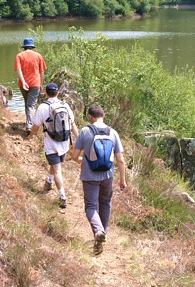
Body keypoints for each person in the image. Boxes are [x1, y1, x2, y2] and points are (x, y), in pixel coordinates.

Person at [71, 104, 126, 255]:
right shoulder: (113, 133)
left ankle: (98, 231)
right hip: (108, 176)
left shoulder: (85, 131)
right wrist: (122, 179)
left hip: (89, 176)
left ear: (90, 117)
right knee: (105, 203)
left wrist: (82, 160)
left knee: (90, 206)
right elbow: (120, 160)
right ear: (104, 115)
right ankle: (103, 233)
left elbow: (74, 156)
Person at [28, 83, 79, 209]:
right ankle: (49, 182)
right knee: (56, 164)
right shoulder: (65, 105)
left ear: (46, 93)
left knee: (57, 170)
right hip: (65, 143)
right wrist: (78, 138)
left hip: (51, 143)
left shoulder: (43, 107)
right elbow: (72, 124)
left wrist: (31, 136)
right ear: (58, 93)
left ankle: (63, 197)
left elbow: (36, 126)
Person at [14, 38, 47, 134]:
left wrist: (23, 81)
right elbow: (42, 72)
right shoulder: (38, 56)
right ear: (32, 47)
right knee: (31, 104)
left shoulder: (19, 56)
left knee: (27, 103)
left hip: (23, 84)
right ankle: (29, 126)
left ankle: (29, 123)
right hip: (35, 83)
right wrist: (41, 83)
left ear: (24, 47)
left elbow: (18, 70)